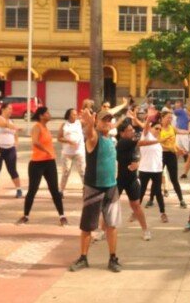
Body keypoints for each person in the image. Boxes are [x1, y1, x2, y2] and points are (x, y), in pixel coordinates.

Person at [69, 109, 123, 273]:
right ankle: (83, 258)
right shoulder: (94, 138)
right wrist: (89, 123)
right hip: (94, 187)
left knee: (112, 225)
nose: (107, 122)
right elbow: (90, 131)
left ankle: (113, 258)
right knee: (87, 226)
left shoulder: (111, 140)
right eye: (103, 120)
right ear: (97, 122)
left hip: (111, 187)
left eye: (109, 120)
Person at [17, 107, 67, 226]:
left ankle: (62, 216)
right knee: (32, 190)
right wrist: (46, 150)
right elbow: (35, 142)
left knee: (54, 190)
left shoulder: (46, 128)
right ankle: (26, 216)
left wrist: (49, 153)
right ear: (41, 116)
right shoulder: (37, 127)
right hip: (37, 163)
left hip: (49, 162)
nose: (49, 115)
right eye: (47, 113)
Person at [114, 120, 152, 241]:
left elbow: (138, 155)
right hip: (118, 180)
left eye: (132, 129)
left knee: (136, 205)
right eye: (130, 130)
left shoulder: (131, 144)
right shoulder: (123, 142)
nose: (133, 132)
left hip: (131, 179)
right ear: (122, 133)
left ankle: (146, 230)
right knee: (110, 205)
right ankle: (103, 230)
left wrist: (137, 164)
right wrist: (148, 122)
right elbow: (142, 138)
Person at [0, 103, 23, 198]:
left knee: (12, 170)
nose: (11, 110)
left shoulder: (11, 121)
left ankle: (18, 189)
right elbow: (4, 124)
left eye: (11, 109)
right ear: (3, 109)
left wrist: (16, 144)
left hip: (10, 149)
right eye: (9, 108)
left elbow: (15, 134)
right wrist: (15, 127)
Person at [138, 122, 167, 223]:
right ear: (151, 128)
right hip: (145, 169)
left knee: (158, 192)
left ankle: (163, 213)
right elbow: (145, 128)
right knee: (141, 192)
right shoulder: (146, 136)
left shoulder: (159, 141)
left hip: (157, 170)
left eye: (160, 129)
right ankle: (135, 212)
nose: (158, 130)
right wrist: (149, 118)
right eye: (156, 128)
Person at [158, 111, 187, 208]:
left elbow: (174, 142)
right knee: (157, 178)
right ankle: (151, 199)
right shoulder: (158, 128)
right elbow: (156, 142)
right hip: (161, 155)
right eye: (168, 117)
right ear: (162, 117)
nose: (170, 119)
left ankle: (181, 200)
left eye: (171, 118)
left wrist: (179, 149)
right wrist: (167, 147)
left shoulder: (172, 128)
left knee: (174, 179)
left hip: (171, 155)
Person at [58, 108, 86, 196]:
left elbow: (90, 121)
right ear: (69, 115)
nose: (75, 115)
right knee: (66, 172)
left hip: (79, 152)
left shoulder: (79, 123)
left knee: (83, 171)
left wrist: (85, 113)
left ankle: (86, 190)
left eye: (76, 114)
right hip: (67, 153)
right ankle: (61, 191)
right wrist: (69, 141)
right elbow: (59, 138)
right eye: (74, 114)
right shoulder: (64, 125)